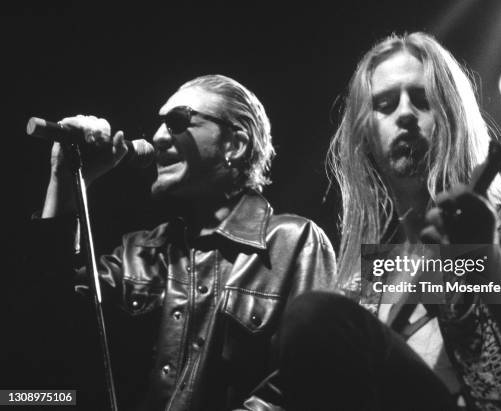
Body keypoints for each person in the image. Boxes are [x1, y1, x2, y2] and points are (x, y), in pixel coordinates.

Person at [277, 32, 501, 410]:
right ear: (365, 134)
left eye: (421, 100)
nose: (404, 113)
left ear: (452, 115)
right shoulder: (369, 276)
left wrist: (483, 257)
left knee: (314, 315)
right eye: (385, 105)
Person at [33, 74, 336, 410]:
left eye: (178, 121)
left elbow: (309, 382)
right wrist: (68, 177)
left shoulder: (293, 242)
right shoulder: (139, 252)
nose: (159, 137)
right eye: (160, 124)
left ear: (234, 145)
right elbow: (48, 313)